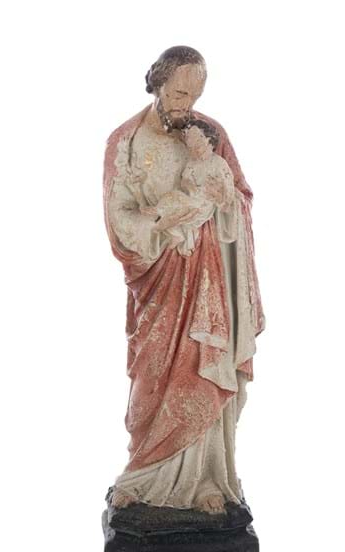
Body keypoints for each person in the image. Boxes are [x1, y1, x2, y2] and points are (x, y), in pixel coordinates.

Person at [103, 46, 265, 514]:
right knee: (152, 377)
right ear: (157, 83)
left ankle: (207, 478)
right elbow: (118, 218)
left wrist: (221, 203)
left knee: (201, 367)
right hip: (159, 279)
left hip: (207, 277)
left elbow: (240, 197)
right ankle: (141, 473)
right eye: (178, 93)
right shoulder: (125, 142)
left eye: (194, 95)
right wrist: (162, 221)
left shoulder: (211, 134)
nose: (186, 105)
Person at [131, 118, 238, 257]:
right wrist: (188, 186)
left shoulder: (218, 164)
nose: (193, 146)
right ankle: (166, 223)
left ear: (208, 139)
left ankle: (161, 228)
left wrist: (217, 194)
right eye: (190, 142)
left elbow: (228, 195)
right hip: (190, 197)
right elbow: (184, 181)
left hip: (202, 205)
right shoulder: (192, 162)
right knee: (173, 197)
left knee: (178, 207)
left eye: (197, 141)